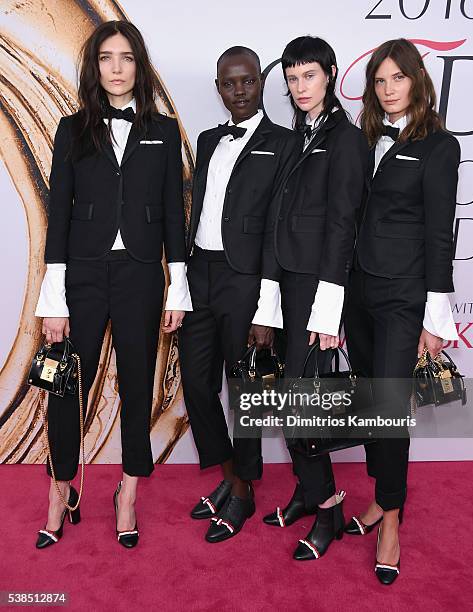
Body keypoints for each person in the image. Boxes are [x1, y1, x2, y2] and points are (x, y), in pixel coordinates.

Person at [34, 20, 190, 549]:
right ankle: (60, 487)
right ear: (94, 66)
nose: (117, 68)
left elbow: (174, 214)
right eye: (106, 58)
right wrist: (53, 297)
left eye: (126, 57)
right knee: (64, 384)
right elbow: (59, 216)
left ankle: (128, 491)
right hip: (81, 274)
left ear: (139, 65)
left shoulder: (164, 132)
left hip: (142, 274)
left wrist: (179, 287)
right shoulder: (70, 129)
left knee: (138, 383)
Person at [343, 38, 460, 584]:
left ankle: (392, 518)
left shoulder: (439, 146)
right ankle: (377, 497)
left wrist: (436, 318)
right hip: (358, 292)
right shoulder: (363, 137)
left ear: (417, 80)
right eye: (380, 81)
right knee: (370, 401)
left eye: (397, 78)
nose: (388, 90)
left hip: (403, 298)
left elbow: (441, 234)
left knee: (389, 411)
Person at [178, 46, 299, 543]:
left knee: (245, 390)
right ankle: (231, 476)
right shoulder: (207, 140)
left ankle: (244, 490)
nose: (239, 92)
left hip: (246, 280)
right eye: (229, 84)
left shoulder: (285, 143)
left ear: (262, 83)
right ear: (218, 88)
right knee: (196, 382)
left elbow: (278, 227)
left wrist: (267, 305)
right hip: (200, 272)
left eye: (248, 82)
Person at [256, 36, 368, 561]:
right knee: (286, 396)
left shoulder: (346, 140)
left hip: (316, 288)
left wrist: (329, 306)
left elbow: (344, 224)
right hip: (285, 282)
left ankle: (329, 510)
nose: (300, 87)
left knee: (305, 403)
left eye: (309, 76)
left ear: (329, 74)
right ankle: (305, 490)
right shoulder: (298, 133)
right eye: (292, 79)